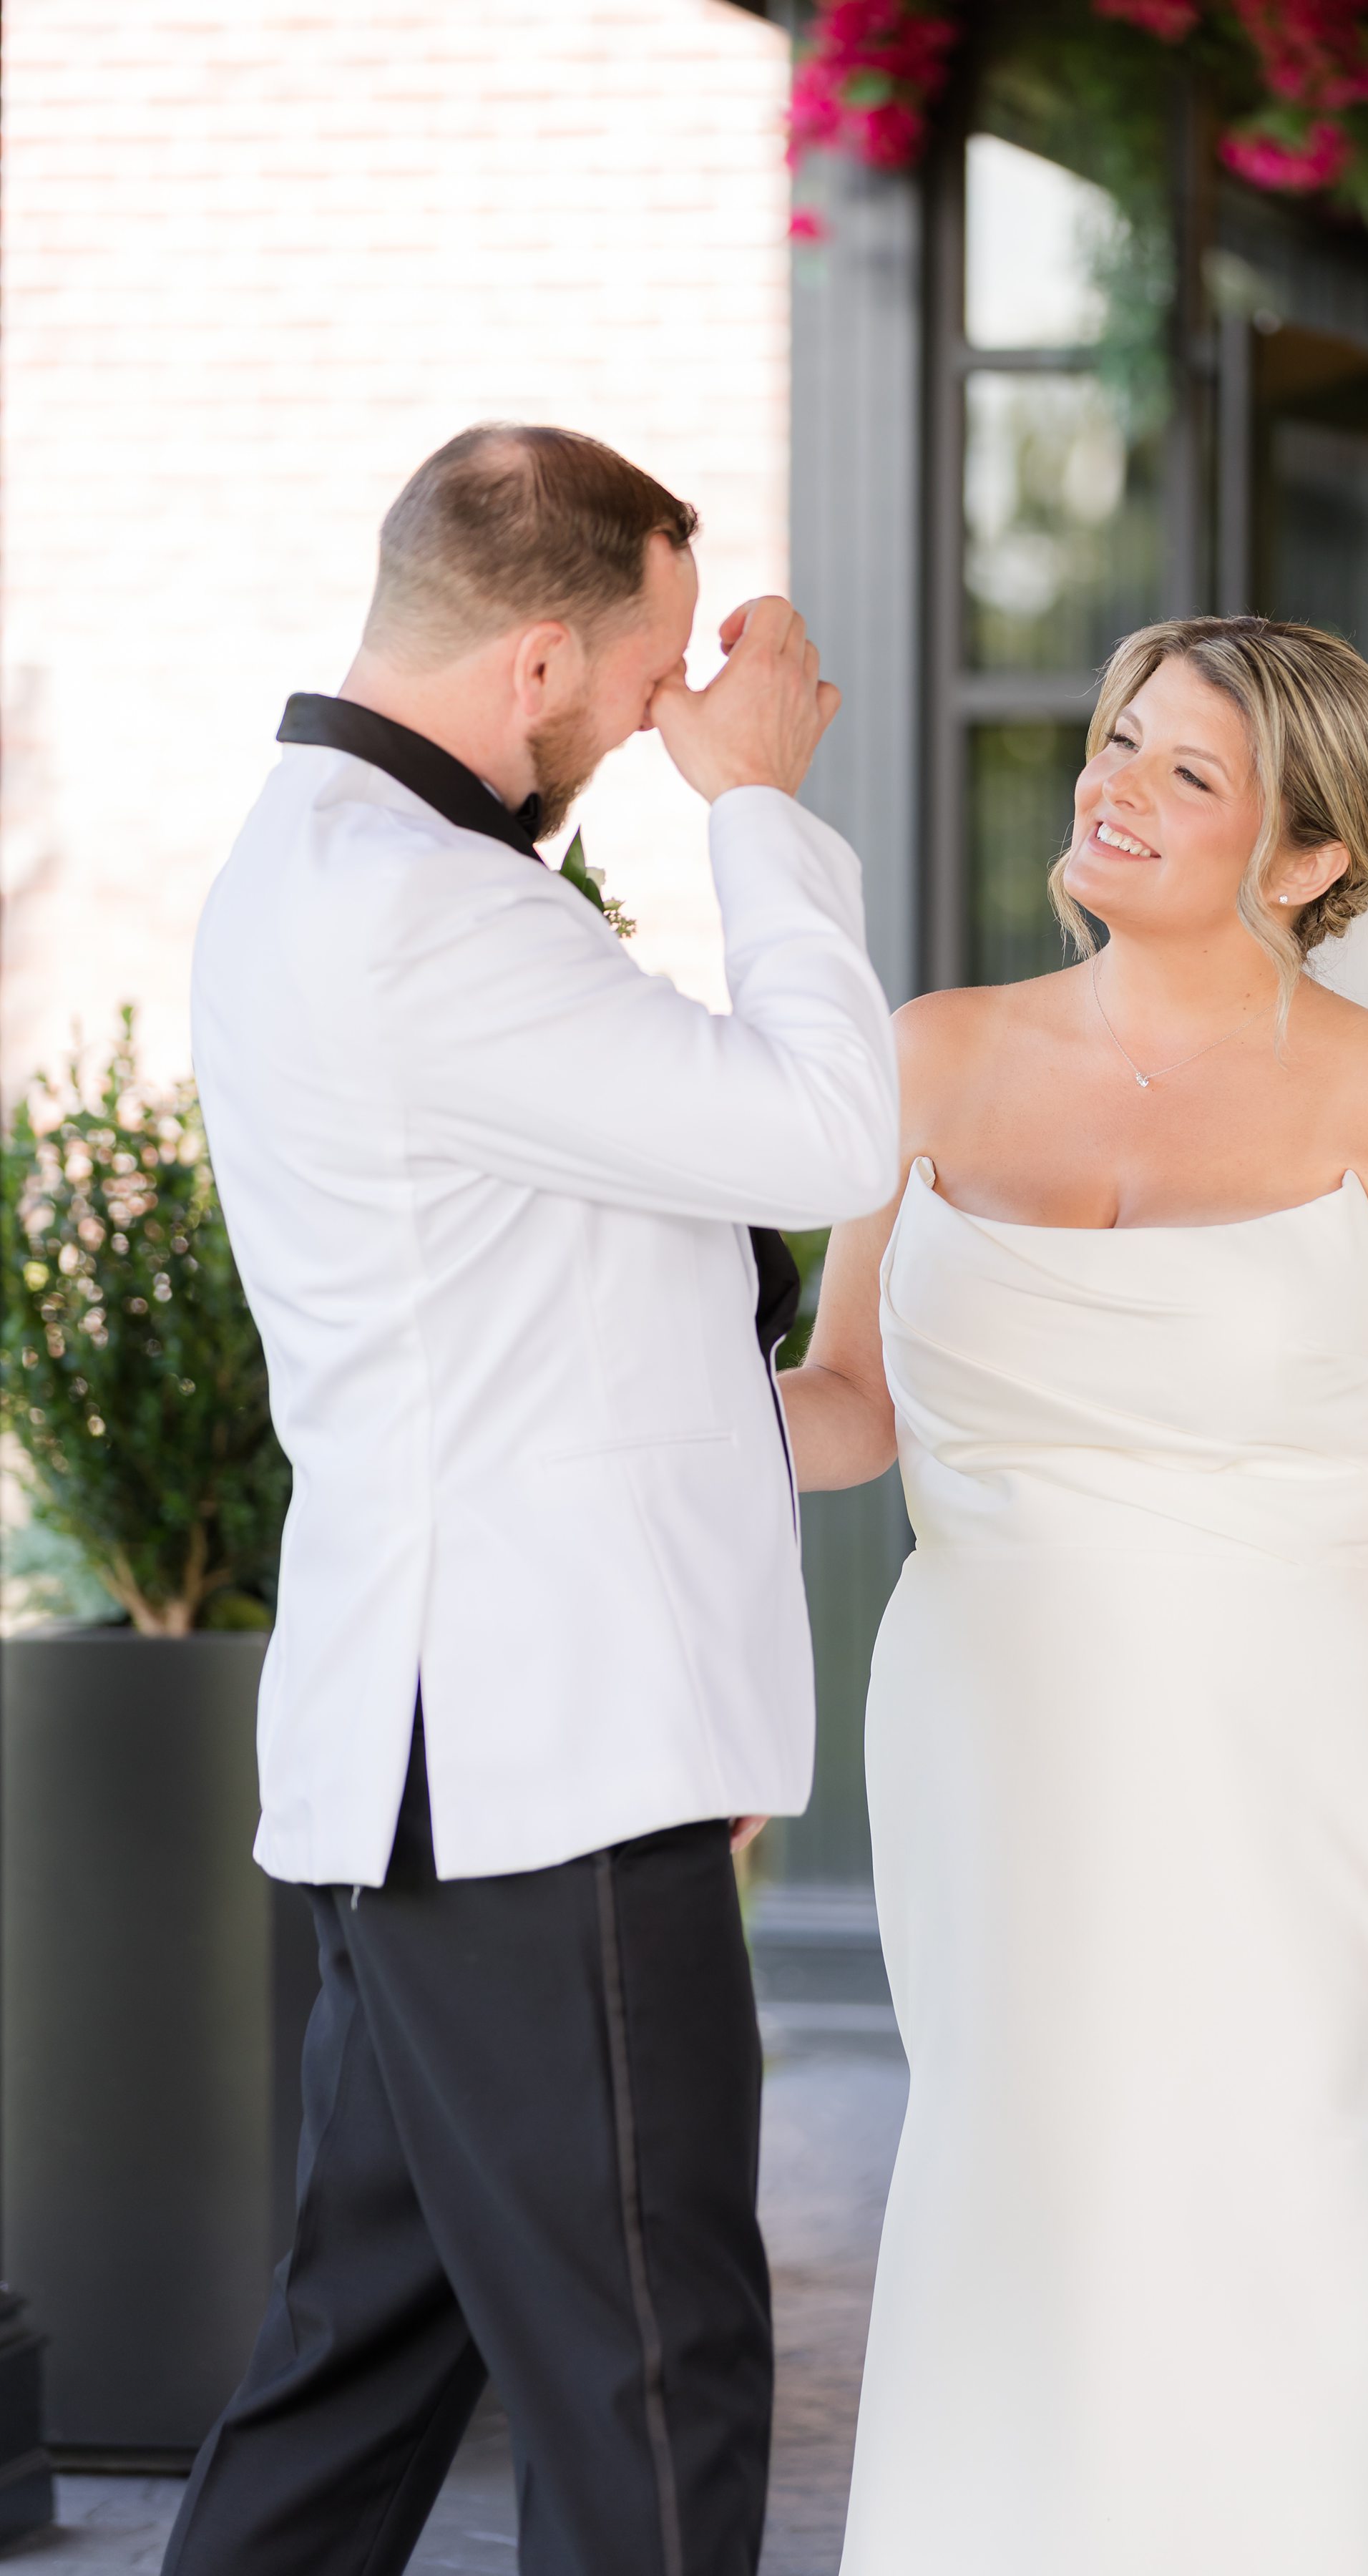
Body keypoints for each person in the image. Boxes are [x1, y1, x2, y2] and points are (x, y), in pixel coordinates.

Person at [783, 615, 1368, 2575]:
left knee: (1276, 2169)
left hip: (1293, 1743)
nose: (1113, 789)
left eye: (1186, 773)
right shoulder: (929, 1053)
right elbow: (851, 1403)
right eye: (1120, 742)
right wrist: (639, 1405)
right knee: (1012, 2170)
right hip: (986, 1726)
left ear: (1308, 860)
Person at [164, 424, 899, 2576]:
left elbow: (538, 1310)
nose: (675, 719)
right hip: (532, 1772)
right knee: (655, 2386)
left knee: (357, 2373)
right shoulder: (424, 910)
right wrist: (761, 806)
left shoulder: (324, 865)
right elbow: (823, 1136)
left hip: (448, 1764)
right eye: (659, 680)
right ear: (544, 661)